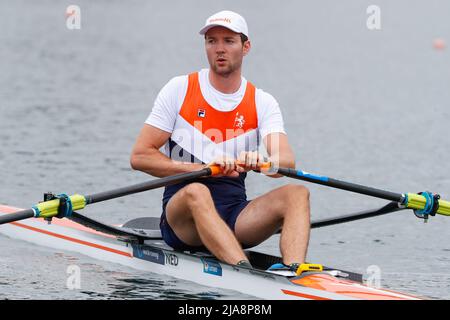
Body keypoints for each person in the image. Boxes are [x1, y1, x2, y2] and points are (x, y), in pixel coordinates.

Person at [130, 10, 311, 273]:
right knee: (197, 191)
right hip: (184, 221)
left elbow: (286, 162)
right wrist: (200, 169)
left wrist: (261, 162)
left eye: (229, 40)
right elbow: (140, 156)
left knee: (297, 194)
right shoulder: (180, 89)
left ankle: (295, 273)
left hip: (235, 215)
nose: (219, 49)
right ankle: (244, 273)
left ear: (245, 47)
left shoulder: (262, 102)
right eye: (212, 41)